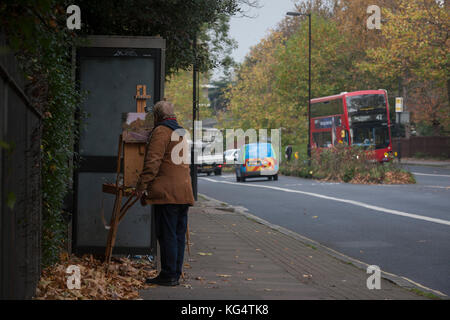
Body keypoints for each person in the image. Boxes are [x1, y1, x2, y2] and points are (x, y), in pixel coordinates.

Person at [135, 100, 194, 286]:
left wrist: (141, 186)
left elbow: (153, 162)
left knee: (167, 233)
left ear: (158, 117)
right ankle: (175, 273)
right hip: (184, 192)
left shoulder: (161, 131)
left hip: (167, 193)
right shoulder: (181, 132)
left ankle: (168, 275)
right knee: (177, 234)